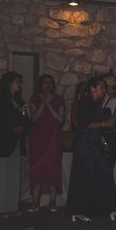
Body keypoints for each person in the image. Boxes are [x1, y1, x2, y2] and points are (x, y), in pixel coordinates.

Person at [66, 76, 116, 222]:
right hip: (85, 143)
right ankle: (109, 208)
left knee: (97, 174)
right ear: (93, 89)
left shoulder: (95, 103)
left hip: (92, 142)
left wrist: (102, 135)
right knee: (88, 175)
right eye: (101, 87)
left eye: (104, 88)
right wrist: (105, 124)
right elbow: (84, 124)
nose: (104, 90)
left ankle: (105, 208)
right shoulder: (86, 103)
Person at [0, 72, 30, 218]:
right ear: (9, 83)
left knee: (13, 175)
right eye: (18, 81)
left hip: (15, 142)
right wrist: (12, 127)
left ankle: (11, 206)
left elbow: (25, 121)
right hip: (1, 143)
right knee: (1, 176)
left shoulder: (19, 100)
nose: (20, 84)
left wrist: (23, 122)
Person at [28, 74, 65, 212]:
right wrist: (42, 103)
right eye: (45, 82)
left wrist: (49, 105)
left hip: (53, 139)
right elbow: (33, 118)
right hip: (38, 139)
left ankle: (53, 201)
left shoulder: (59, 100)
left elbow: (60, 120)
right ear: (40, 85)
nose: (48, 85)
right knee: (37, 168)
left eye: (50, 82)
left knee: (53, 168)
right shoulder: (34, 99)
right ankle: (35, 201)